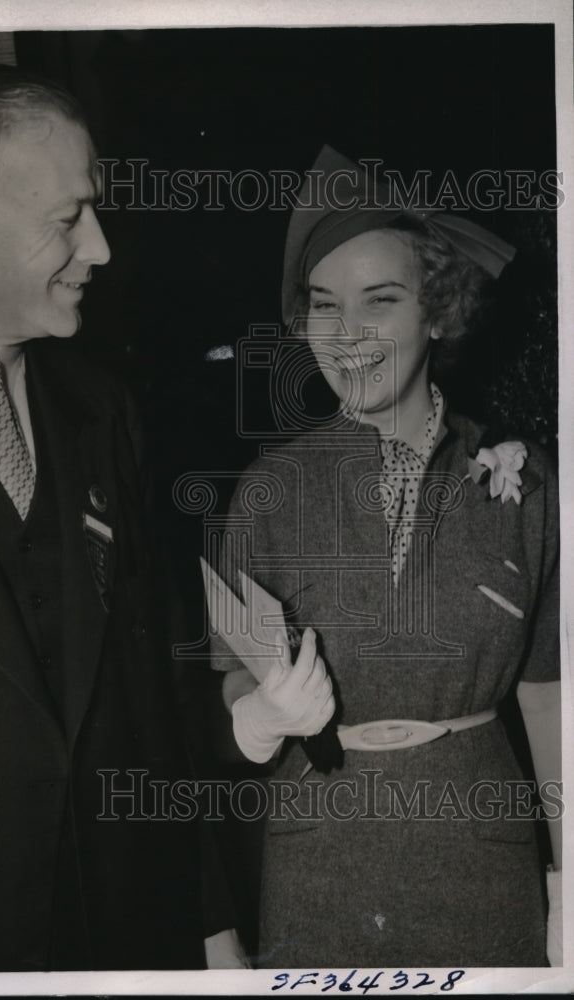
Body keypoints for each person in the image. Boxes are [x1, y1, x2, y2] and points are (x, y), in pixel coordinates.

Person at [0, 62, 239, 973]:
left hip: (121, 932)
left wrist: (210, 921)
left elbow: (151, 693)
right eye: (67, 221)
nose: (98, 248)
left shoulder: (102, 408)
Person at [213, 146, 561, 968]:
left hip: (483, 862)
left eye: (381, 300)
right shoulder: (268, 490)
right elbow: (225, 676)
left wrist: (568, 877)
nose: (348, 336)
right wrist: (255, 719)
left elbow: (550, 701)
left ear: (436, 310)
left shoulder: (526, 482)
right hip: (315, 868)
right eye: (325, 306)